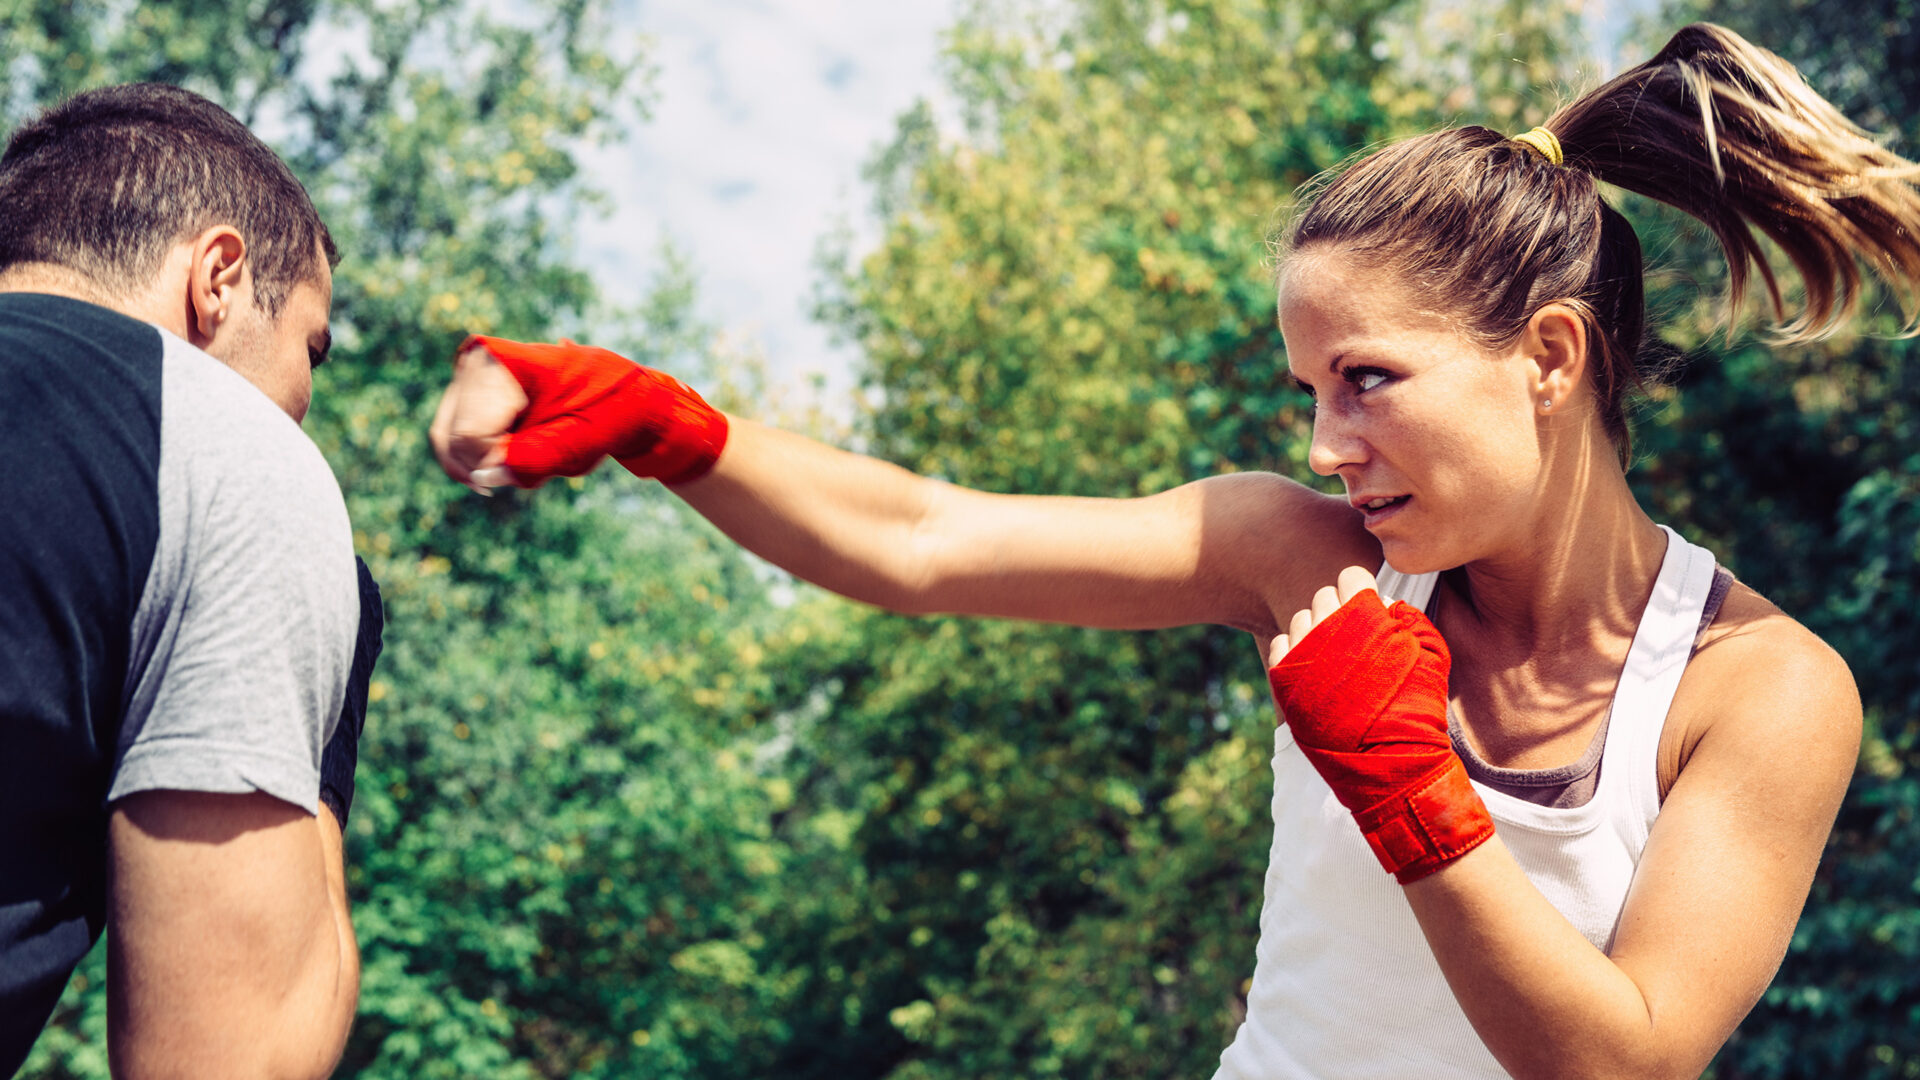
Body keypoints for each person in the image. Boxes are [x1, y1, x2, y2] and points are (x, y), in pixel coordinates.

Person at [429, 24, 1903, 1079]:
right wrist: (660, 422)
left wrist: (1413, 795)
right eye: (1309, 393)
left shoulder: (1761, 690)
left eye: (1368, 380)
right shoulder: (1300, 555)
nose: (1327, 445)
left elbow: (1624, 1061)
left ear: (1551, 357)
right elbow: (927, 539)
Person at [0, 83, 379, 1078]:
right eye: (311, 348)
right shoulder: (224, 438)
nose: (302, 404)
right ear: (218, 276)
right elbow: (226, 1059)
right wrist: (324, 741)